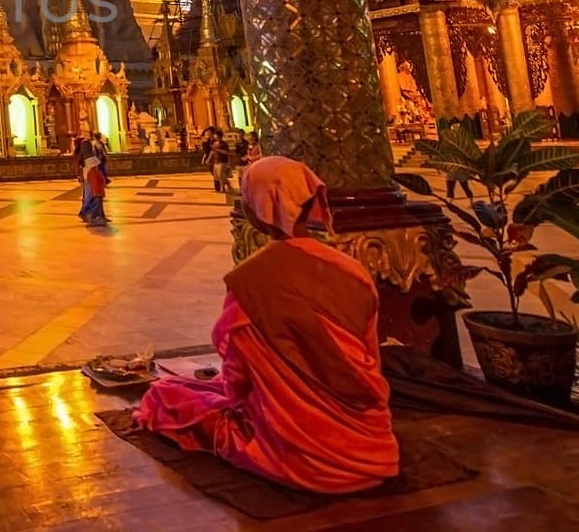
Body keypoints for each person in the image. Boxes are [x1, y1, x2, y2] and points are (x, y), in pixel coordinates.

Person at [133, 156, 398, 494]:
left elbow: (236, 385)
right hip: (373, 445)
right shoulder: (352, 270)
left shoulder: (251, 280)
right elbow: (368, 359)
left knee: (165, 397)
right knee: (200, 387)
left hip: (298, 455)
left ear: (257, 210)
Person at [79, 155, 108, 226]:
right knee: (97, 205)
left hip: (95, 191)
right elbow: (101, 181)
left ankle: (99, 217)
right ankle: (94, 218)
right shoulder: (95, 172)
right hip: (98, 191)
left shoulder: (90, 172)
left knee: (96, 204)